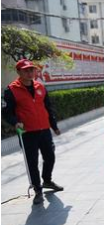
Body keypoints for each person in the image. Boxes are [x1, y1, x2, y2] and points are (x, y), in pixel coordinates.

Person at [2, 59, 64, 205]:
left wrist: (54, 126)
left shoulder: (40, 87)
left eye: (32, 70)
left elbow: (48, 108)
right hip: (27, 132)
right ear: (19, 72)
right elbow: (6, 112)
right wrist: (15, 122)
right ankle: (37, 190)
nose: (30, 73)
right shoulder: (11, 90)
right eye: (26, 70)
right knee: (32, 162)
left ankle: (47, 180)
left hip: (44, 129)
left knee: (50, 156)